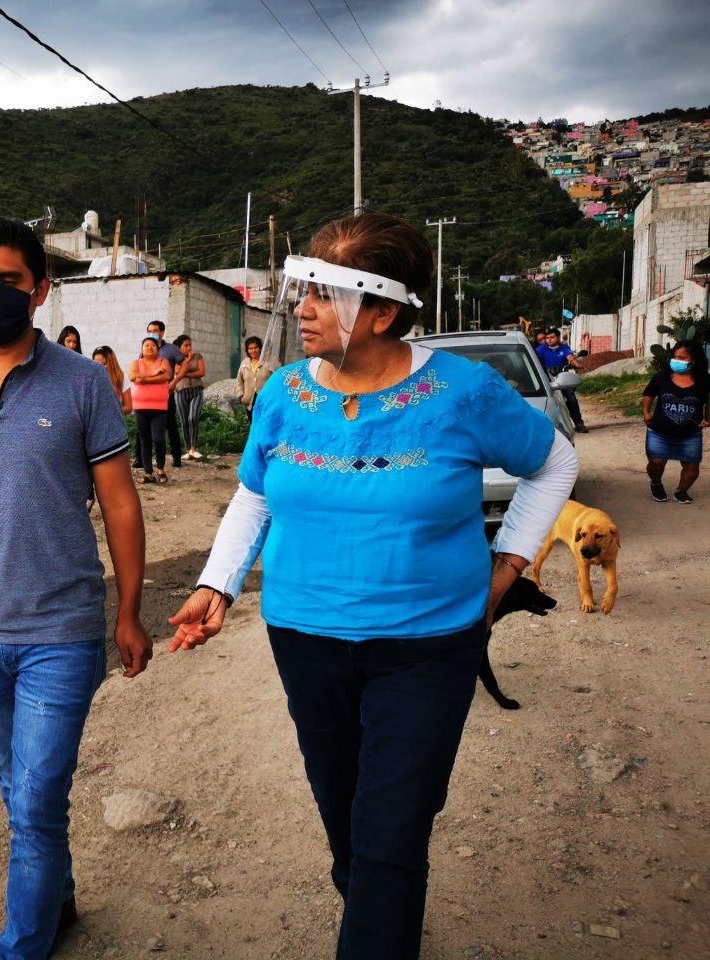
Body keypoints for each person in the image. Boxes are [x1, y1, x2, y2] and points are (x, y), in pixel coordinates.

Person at [168, 213, 578, 960]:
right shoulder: (284, 393)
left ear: (382, 313)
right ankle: (376, 913)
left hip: (430, 646)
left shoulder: (464, 392)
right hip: (305, 640)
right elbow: (255, 494)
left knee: (393, 829)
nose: (303, 309)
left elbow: (555, 463)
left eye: (323, 295)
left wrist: (507, 565)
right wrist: (217, 585)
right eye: (304, 291)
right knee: (346, 818)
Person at [0, 216, 151, 960]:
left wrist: (130, 612)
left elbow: (120, 503)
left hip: (61, 633)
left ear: (40, 290)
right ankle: (57, 899)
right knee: (19, 789)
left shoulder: (82, 382)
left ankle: (22, 945)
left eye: (9, 280)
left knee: (37, 801)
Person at [643, 340, 709, 504]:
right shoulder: (661, 377)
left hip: (690, 434)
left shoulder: (705, 381)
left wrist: (707, 419)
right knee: (656, 463)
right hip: (659, 432)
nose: (676, 361)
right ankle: (656, 484)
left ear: (694, 360)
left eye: (682, 358)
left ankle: (681, 491)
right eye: (675, 357)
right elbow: (649, 393)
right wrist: (646, 412)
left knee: (692, 469)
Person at [130, 335, 173, 484]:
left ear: (158, 348)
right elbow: (133, 376)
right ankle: (148, 473)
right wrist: (155, 373)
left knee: (158, 439)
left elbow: (167, 376)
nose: (150, 347)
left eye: (153, 345)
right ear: (142, 348)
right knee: (145, 440)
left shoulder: (163, 361)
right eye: (146, 345)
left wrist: (144, 379)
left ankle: (160, 468)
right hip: (140, 407)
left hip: (159, 408)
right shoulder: (136, 363)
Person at [146, 320, 185, 469]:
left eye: (155, 331)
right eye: (150, 331)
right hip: (149, 395)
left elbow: (184, 363)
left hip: (166, 393)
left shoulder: (171, 349)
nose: (152, 333)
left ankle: (176, 457)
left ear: (162, 332)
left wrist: (175, 382)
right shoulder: (146, 348)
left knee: (170, 425)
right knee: (145, 427)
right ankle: (141, 459)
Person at [536, 328, 588, 432]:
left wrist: (578, 365)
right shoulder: (542, 349)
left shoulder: (564, 348)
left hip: (562, 377)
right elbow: (534, 358)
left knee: (571, 398)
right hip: (547, 378)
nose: (549, 340)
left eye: (552, 337)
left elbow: (571, 358)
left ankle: (579, 423)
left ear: (558, 337)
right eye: (547, 337)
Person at [172, 334, 206, 461]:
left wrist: (185, 373)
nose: (189, 348)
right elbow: (177, 372)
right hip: (181, 391)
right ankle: (188, 450)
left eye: (190, 345)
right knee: (184, 421)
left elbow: (202, 372)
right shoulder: (175, 358)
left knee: (193, 418)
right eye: (186, 345)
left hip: (196, 391)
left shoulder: (198, 356)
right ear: (179, 347)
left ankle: (193, 449)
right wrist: (187, 362)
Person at [236, 335, 276, 421]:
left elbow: (277, 380)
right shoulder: (244, 363)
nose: (253, 350)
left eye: (256, 348)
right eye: (250, 348)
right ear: (247, 350)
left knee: (265, 424)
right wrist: (241, 395)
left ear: (261, 348)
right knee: (252, 424)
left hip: (266, 402)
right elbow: (239, 382)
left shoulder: (270, 362)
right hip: (249, 403)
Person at [92, 345, 132, 414]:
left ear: (112, 363)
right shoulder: (90, 379)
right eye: (96, 364)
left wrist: (111, 412)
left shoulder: (121, 378)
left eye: (103, 364)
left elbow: (129, 407)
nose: (99, 367)